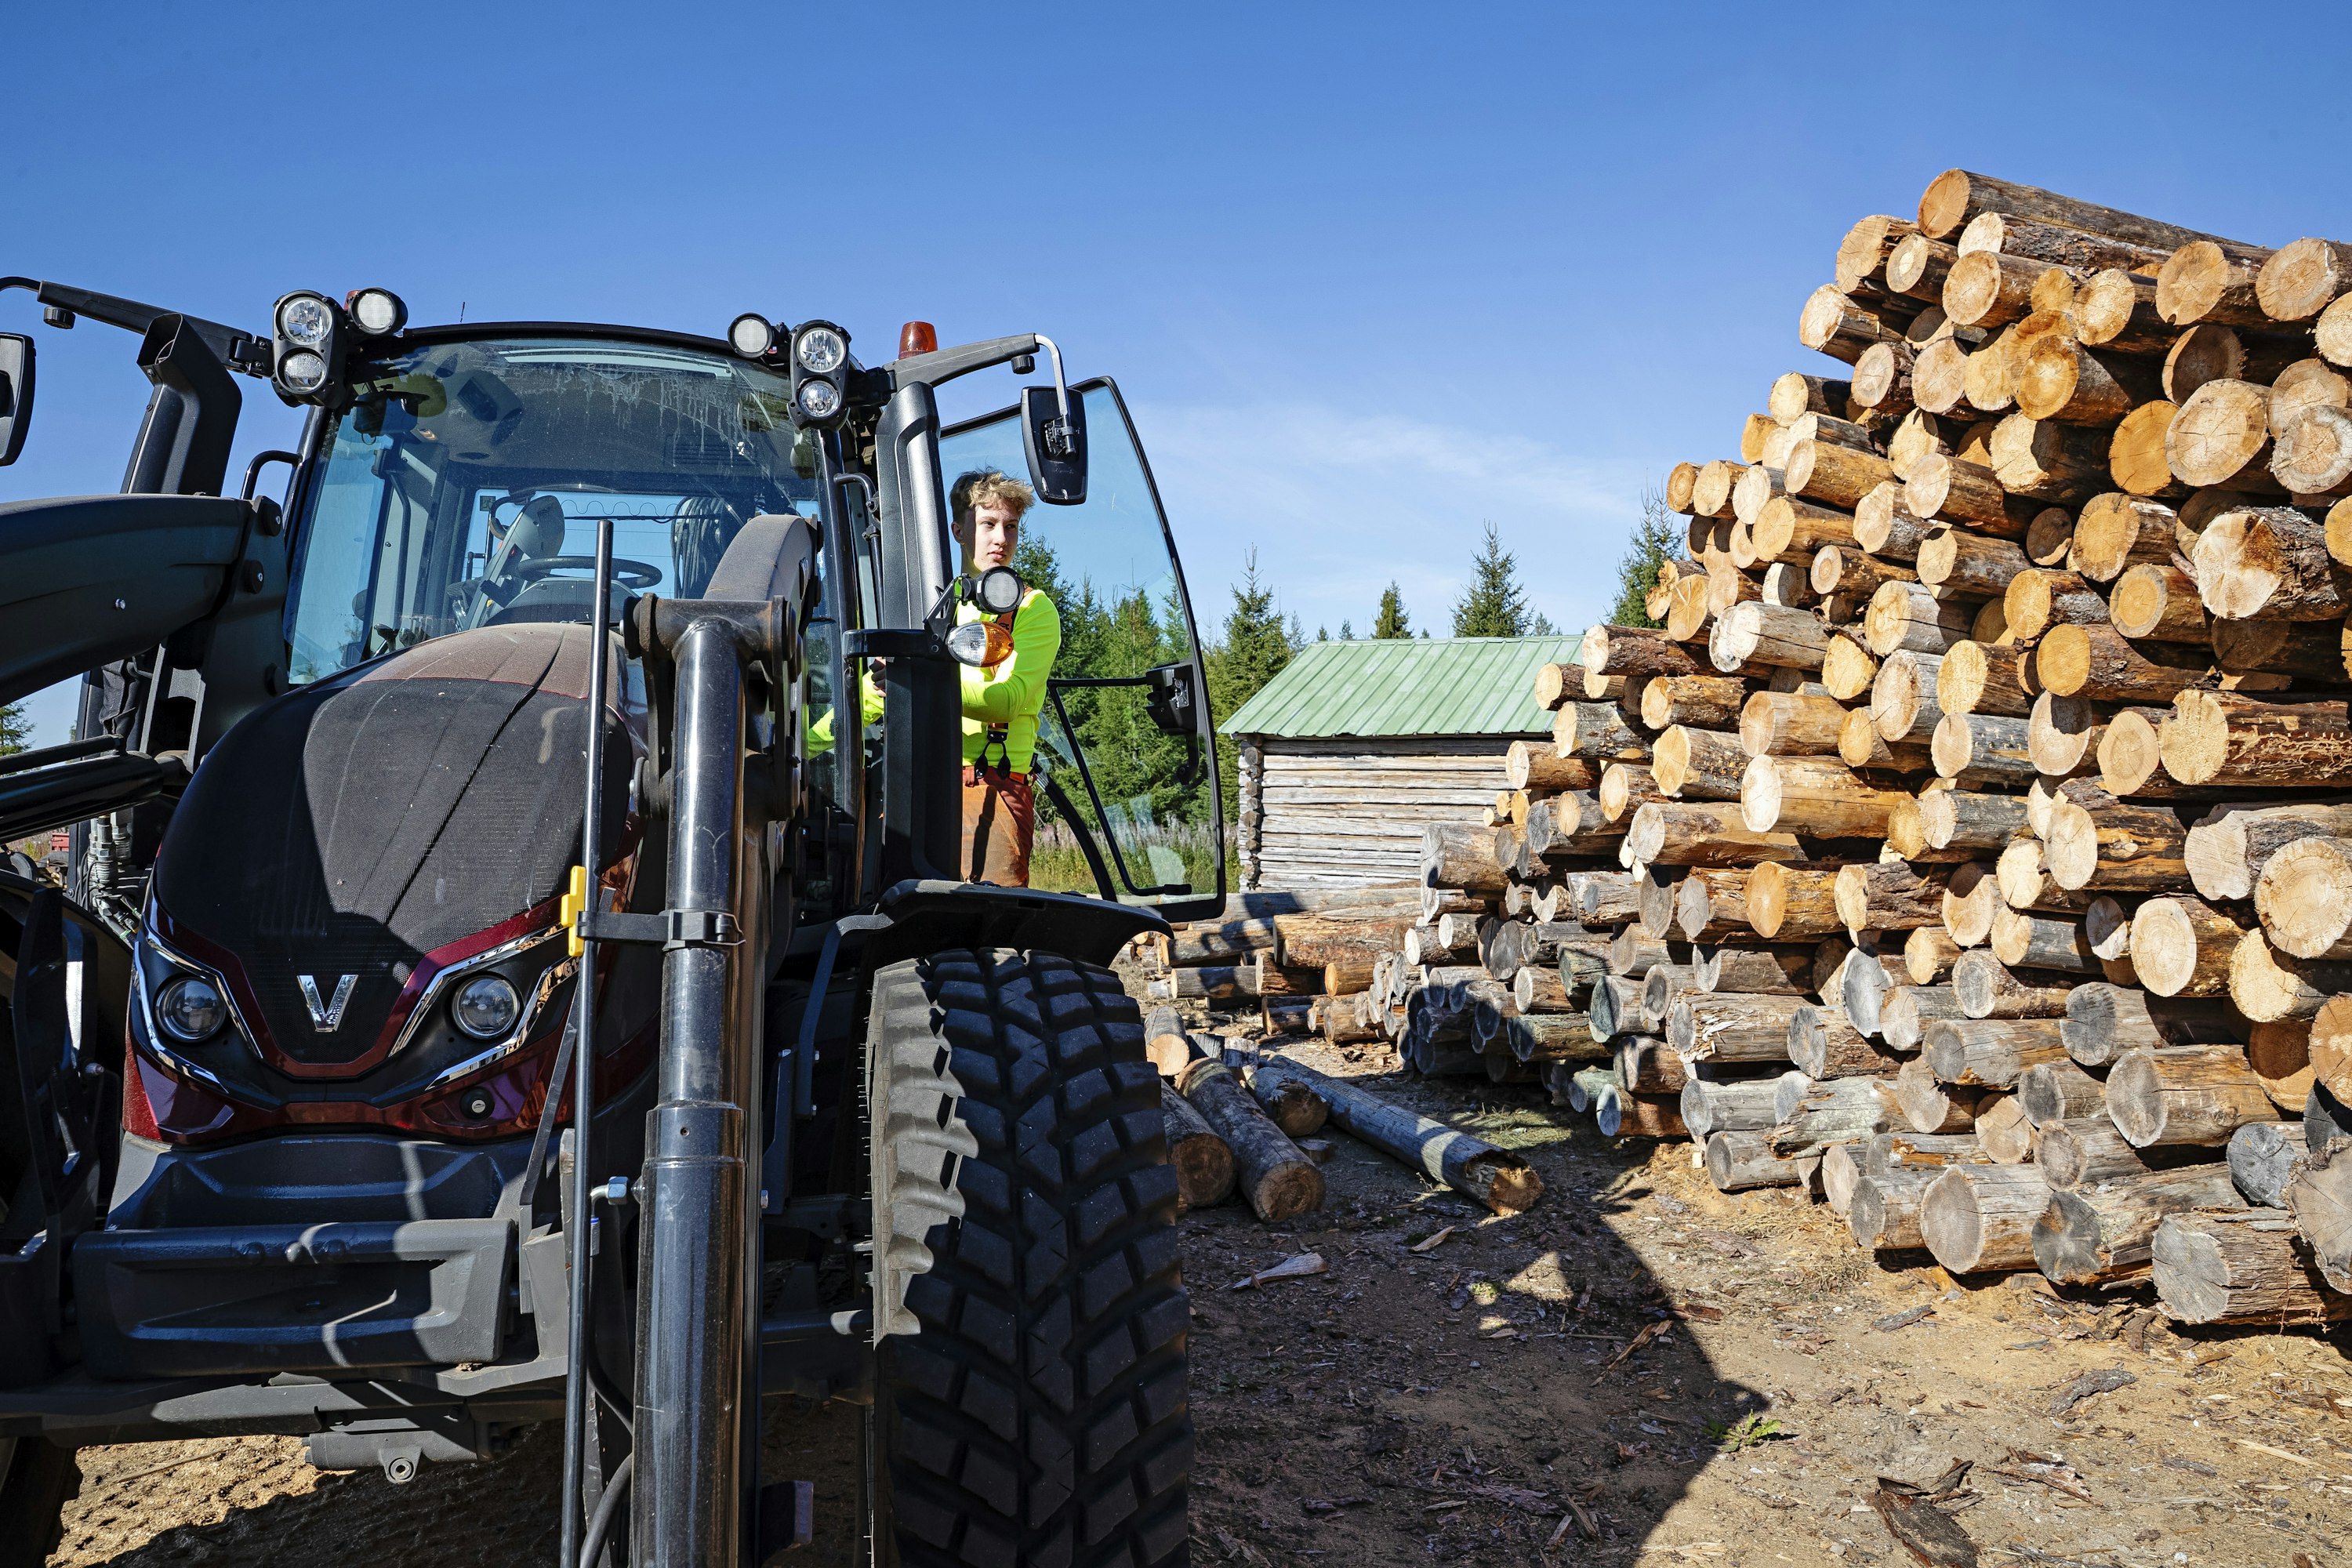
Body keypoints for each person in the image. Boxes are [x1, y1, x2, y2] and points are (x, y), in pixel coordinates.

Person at [950, 468, 1060, 885]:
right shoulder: (936, 605)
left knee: (987, 933)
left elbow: (1008, 699)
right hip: (921, 783)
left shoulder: (1033, 610)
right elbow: (874, 693)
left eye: (1011, 526)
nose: (1002, 538)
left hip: (995, 787)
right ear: (959, 530)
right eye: (988, 524)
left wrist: (919, 679)